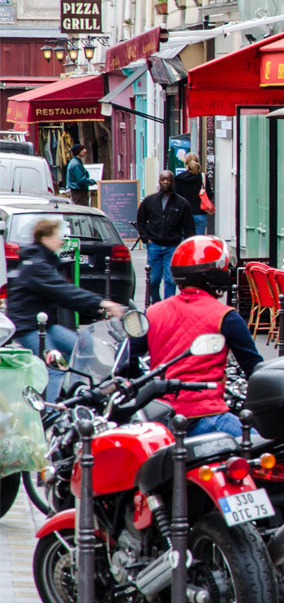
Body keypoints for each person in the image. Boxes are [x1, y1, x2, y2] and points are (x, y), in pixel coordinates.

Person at [128, 236, 261, 438]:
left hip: (161, 417)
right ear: (216, 274)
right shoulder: (226, 316)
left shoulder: (153, 312)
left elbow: (128, 360)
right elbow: (255, 370)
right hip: (207, 415)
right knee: (263, 447)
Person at [8, 217, 125, 399]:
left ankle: (74, 392)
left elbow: (65, 295)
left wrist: (95, 310)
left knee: (81, 346)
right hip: (28, 327)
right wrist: (101, 303)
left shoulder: (46, 260)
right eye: (57, 236)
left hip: (45, 325)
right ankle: (52, 413)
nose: (61, 240)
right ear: (45, 238)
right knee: (55, 368)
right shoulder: (37, 265)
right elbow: (64, 291)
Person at [136, 171, 195, 304]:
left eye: (168, 180)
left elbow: (189, 226)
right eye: (163, 179)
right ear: (159, 181)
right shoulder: (149, 201)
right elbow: (141, 221)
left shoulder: (181, 203)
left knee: (170, 279)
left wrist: (185, 246)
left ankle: (169, 305)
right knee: (154, 279)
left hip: (173, 246)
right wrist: (146, 239)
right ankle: (156, 303)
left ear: (173, 181)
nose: (166, 182)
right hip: (154, 244)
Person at [175, 153, 210, 236]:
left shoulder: (178, 178)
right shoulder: (203, 177)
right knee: (198, 241)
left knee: (184, 241)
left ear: (185, 163)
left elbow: (175, 197)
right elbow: (209, 194)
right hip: (200, 213)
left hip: (183, 214)